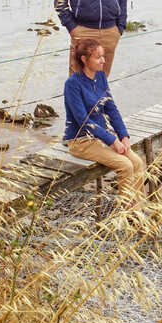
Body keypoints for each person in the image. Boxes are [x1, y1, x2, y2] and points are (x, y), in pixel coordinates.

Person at [64, 38, 145, 203]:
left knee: (136, 162)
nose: (103, 60)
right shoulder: (72, 84)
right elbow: (83, 120)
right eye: (98, 57)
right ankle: (128, 215)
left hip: (101, 138)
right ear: (84, 60)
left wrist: (123, 136)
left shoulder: (100, 77)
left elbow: (111, 108)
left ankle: (138, 211)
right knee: (125, 165)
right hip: (80, 141)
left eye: (103, 56)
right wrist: (113, 140)